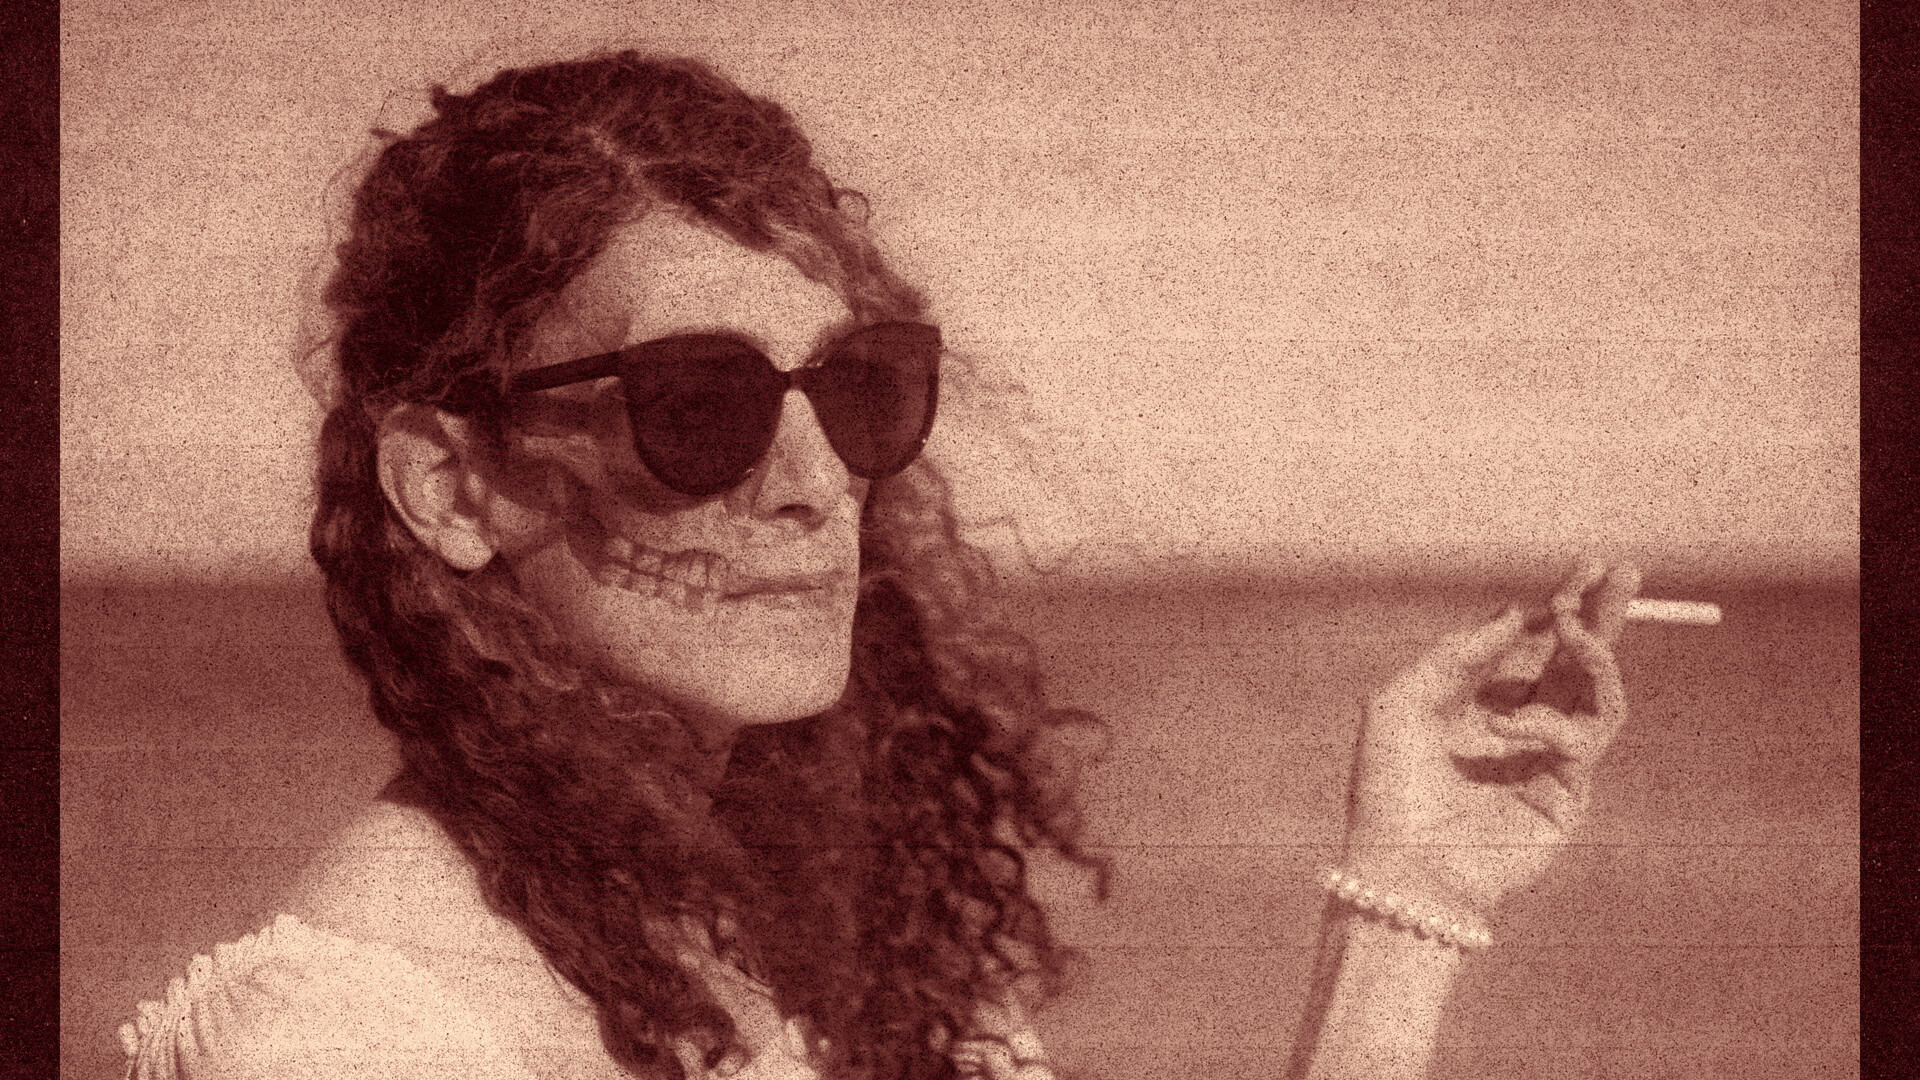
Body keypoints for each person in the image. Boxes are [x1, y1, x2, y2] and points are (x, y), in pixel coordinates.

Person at [119, 51, 1641, 1080]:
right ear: (454, 489)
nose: (814, 484)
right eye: (697, 405)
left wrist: (1404, 899)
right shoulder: (353, 1040)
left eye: (856, 392)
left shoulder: (828, 932)